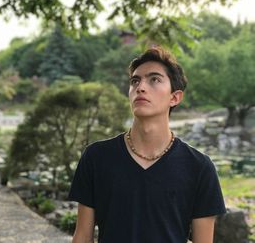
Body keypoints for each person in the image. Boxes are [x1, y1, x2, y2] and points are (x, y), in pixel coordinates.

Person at [68, 46, 226, 243]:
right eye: (135, 81)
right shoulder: (96, 157)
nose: (141, 87)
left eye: (154, 79)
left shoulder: (200, 167)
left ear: (175, 97)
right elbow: (82, 237)